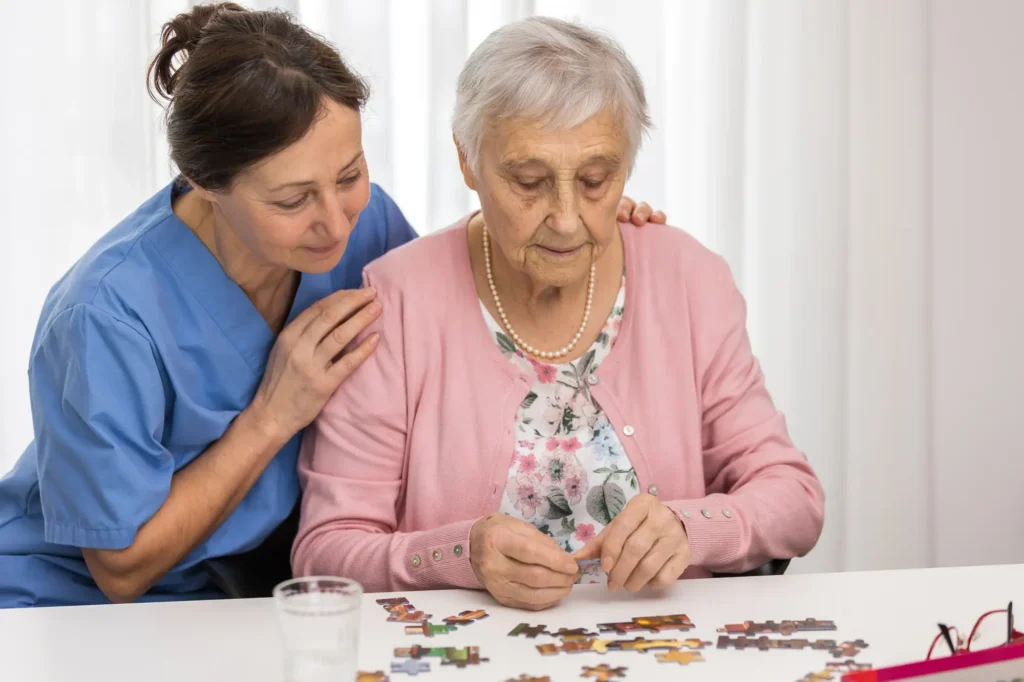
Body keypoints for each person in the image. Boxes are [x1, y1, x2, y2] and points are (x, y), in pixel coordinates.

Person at [0, 4, 663, 608]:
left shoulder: (366, 224)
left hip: (250, 595)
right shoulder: (103, 317)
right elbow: (120, 567)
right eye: (291, 200)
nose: (335, 223)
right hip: (72, 607)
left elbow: (451, 300)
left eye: (348, 174)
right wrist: (272, 415)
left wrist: (575, 228)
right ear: (202, 183)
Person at [292, 16, 826, 612]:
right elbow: (326, 551)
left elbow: (795, 499)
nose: (568, 218)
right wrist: (459, 554)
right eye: (529, 181)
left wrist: (691, 527)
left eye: (597, 180)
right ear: (467, 161)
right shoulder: (395, 302)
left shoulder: (689, 278)